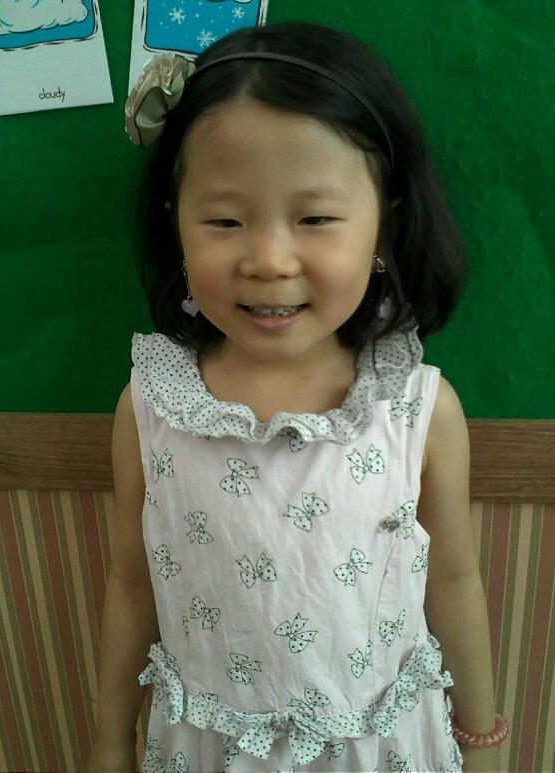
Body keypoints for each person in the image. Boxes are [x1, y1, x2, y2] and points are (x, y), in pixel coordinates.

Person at [87, 21, 507, 773]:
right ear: (175, 222)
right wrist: (108, 739)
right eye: (225, 220)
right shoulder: (151, 408)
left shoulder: (416, 410)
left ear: (385, 226)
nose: (269, 260)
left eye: (315, 219)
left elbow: (453, 581)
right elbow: (130, 582)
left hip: (380, 751)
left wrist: (481, 741)